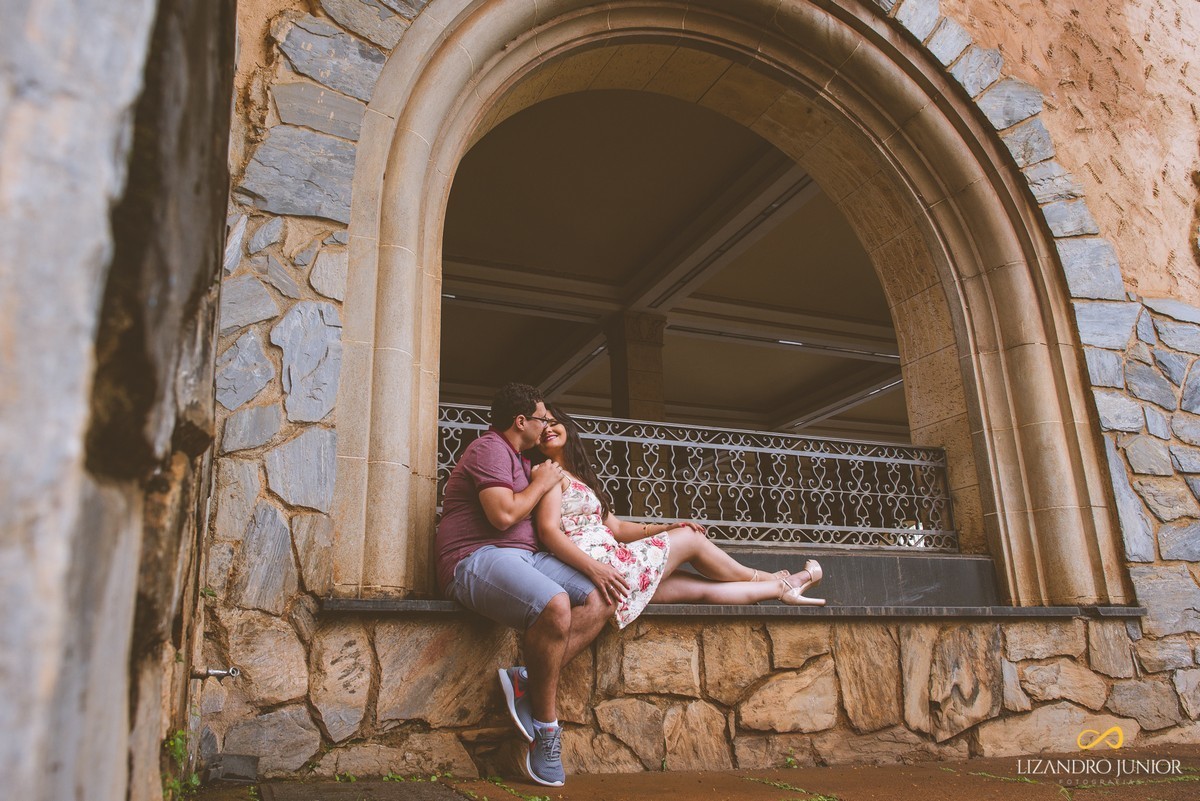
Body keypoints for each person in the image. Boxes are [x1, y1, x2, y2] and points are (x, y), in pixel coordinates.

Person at [434, 383, 614, 787]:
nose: (546, 424)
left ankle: (528, 679)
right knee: (554, 604)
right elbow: (502, 515)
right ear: (522, 422)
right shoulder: (489, 448)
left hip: (524, 557)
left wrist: (546, 478)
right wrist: (544, 481)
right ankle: (546, 732)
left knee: (603, 596)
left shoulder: (520, 458)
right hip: (474, 557)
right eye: (542, 418)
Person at [532, 403, 826, 629]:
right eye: (542, 427)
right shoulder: (549, 474)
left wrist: (668, 526)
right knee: (691, 538)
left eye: (553, 423)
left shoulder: (578, 478)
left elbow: (618, 527)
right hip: (604, 568)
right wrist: (596, 569)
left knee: (700, 590)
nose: (547, 429)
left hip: (614, 565)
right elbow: (548, 531)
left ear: (568, 428)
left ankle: (780, 588)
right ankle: (771, 577)